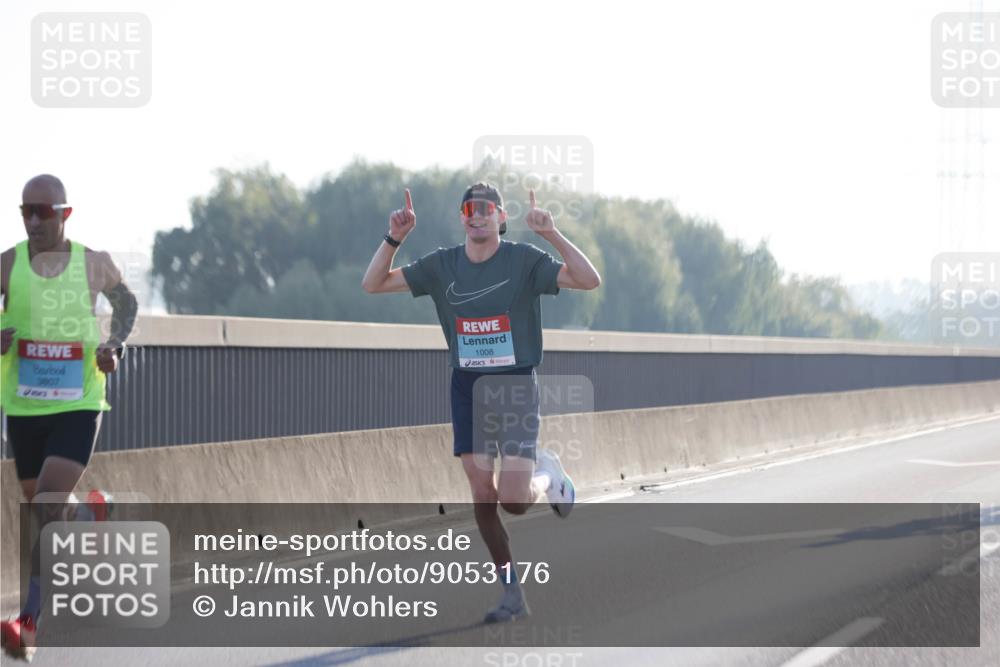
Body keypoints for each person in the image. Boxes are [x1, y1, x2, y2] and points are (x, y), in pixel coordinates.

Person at [362, 182, 601, 622]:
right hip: (467, 386)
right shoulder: (442, 265)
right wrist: (395, 237)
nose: (477, 215)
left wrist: (551, 233)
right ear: (462, 218)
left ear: (501, 217)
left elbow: (588, 280)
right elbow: (372, 283)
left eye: (486, 209)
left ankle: (548, 475)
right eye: (470, 209)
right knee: (481, 492)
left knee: (513, 500)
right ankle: (511, 592)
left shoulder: (524, 261)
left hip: (513, 385)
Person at [0, 174, 138, 661]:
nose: (34, 220)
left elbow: (128, 303)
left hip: (78, 400)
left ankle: (29, 622)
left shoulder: (92, 264)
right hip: (23, 405)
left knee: (45, 507)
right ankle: (91, 513)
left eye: (44, 211)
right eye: (26, 211)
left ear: (65, 214)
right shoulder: (8, 263)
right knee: (49, 505)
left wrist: (114, 345)